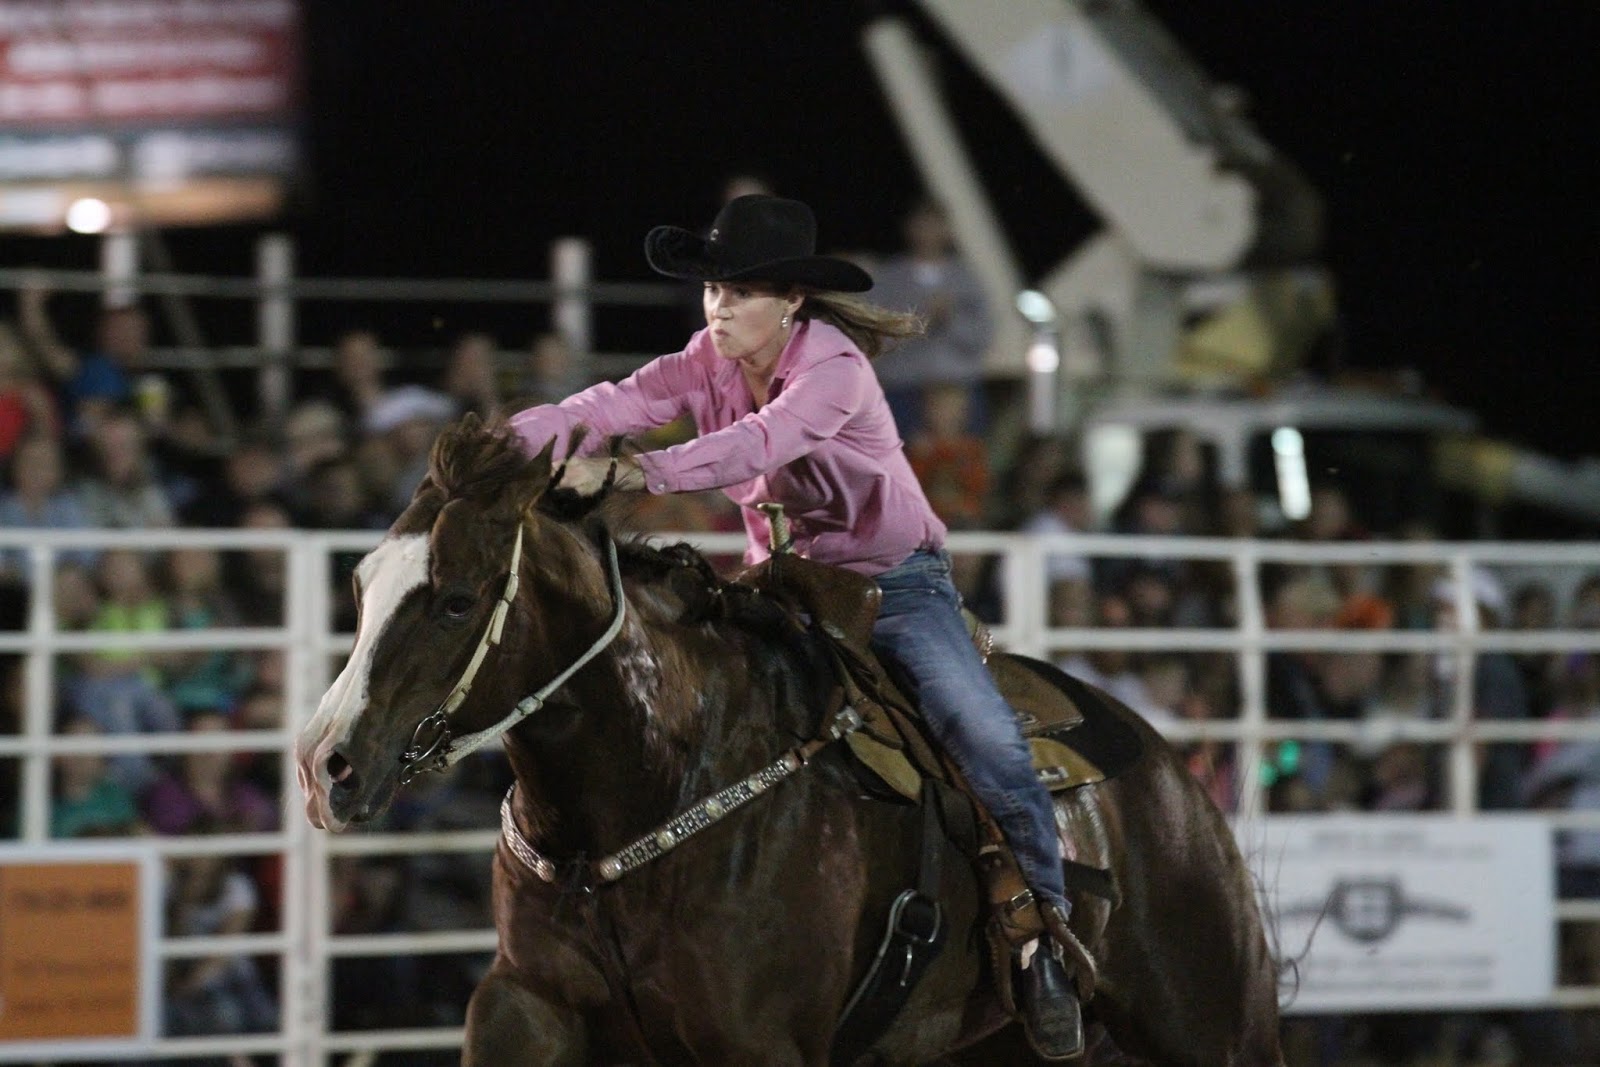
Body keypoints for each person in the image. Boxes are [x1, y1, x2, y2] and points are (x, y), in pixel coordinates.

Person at [508, 194, 1085, 1058]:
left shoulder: (835, 368)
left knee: (986, 736)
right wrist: (510, 442)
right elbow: (612, 401)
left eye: (741, 292)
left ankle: (1045, 934)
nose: (719, 307)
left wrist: (631, 472)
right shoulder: (704, 359)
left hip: (892, 584)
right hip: (780, 585)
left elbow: (758, 443)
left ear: (791, 301)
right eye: (714, 289)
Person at [867, 198, 991, 435]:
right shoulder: (888, 278)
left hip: (957, 390)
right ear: (909, 228)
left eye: (935, 224)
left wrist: (951, 319)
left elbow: (982, 336)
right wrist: (921, 320)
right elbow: (875, 336)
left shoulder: (966, 278)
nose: (928, 232)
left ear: (947, 229)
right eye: (922, 224)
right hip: (903, 388)